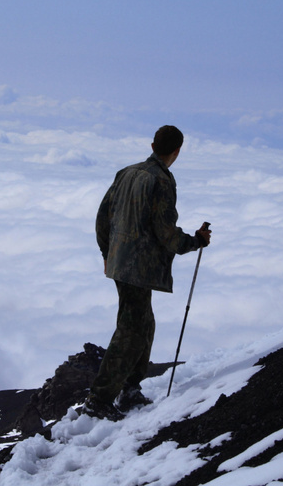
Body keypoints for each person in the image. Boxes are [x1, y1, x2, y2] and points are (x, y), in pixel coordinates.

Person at [83, 125, 212, 421]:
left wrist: (107, 254)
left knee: (143, 323)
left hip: (119, 262)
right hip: (139, 267)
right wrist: (196, 242)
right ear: (177, 152)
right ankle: (100, 399)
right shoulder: (161, 181)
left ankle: (130, 388)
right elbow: (165, 233)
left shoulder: (126, 172)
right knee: (131, 329)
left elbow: (103, 218)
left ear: (152, 144)